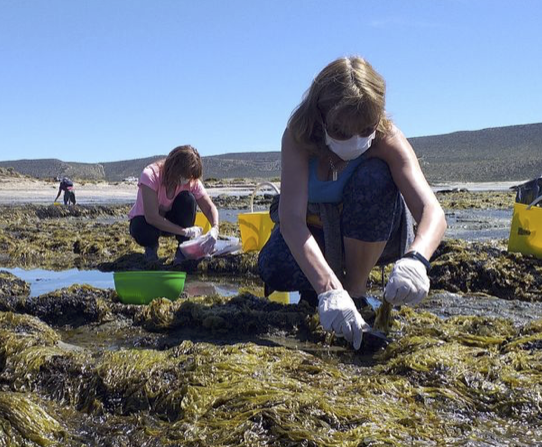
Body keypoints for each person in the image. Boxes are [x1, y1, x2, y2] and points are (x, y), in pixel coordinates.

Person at [258, 56, 447, 350]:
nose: (356, 140)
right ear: (320, 118)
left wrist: (417, 259)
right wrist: (328, 290)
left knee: (375, 175)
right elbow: (292, 220)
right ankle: (325, 294)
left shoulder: (386, 137)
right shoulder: (298, 136)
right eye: (342, 132)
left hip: (372, 238)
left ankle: (356, 292)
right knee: (274, 266)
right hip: (315, 234)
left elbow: (431, 211)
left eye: (365, 130)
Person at [128, 144, 220, 262]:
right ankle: (151, 249)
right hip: (147, 223)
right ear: (175, 169)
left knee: (188, 199)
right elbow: (151, 217)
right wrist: (184, 231)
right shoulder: (150, 175)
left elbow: (208, 207)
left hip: (172, 222)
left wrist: (215, 228)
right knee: (143, 227)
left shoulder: (191, 181)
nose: (188, 179)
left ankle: (183, 250)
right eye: (186, 176)